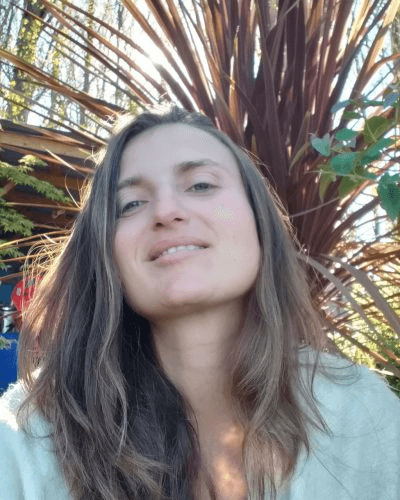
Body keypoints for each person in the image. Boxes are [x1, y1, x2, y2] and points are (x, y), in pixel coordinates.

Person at [0, 106, 399, 500]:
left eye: (201, 185)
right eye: (131, 204)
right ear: (104, 254)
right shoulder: (26, 436)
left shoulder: (363, 414)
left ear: (259, 220)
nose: (166, 212)